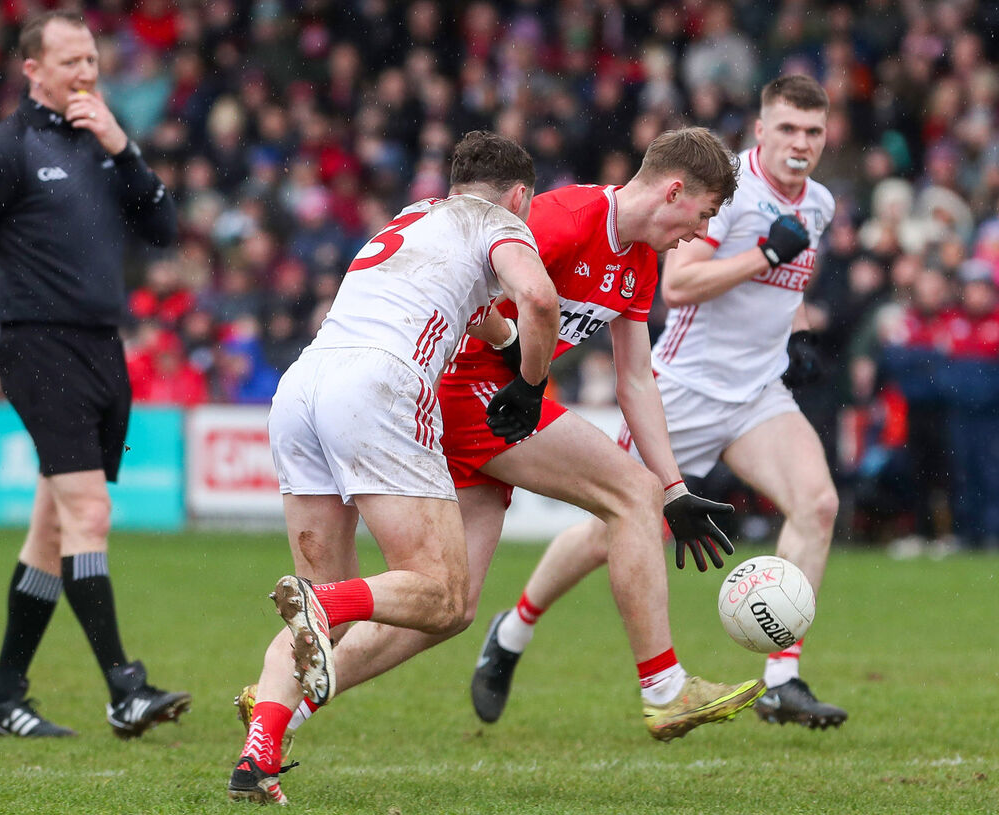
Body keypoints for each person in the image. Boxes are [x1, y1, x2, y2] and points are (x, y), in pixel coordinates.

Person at [234, 127, 764, 776]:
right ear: (675, 190)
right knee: (631, 492)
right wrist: (530, 379)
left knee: (445, 607)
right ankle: (665, 687)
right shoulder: (559, 215)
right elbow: (490, 286)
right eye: (704, 214)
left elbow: (634, 380)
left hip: (473, 401)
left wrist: (677, 486)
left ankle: (281, 705)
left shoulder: (641, 262)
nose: (699, 233)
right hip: (467, 390)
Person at [476, 75, 847, 730]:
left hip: (758, 391)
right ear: (761, 130)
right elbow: (681, 283)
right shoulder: (727, 190)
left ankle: (781, 679)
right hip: (685, 388)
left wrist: (801, 330)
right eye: (788, 128)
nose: (801, 143)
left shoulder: (818, 203)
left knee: (818, 503)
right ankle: (513, 628)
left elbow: (779, 293)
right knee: (608, 531)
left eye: (814, 131)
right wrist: (763, 254)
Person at [228, 130, 560, 805]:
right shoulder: (498, 221)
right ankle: (322, 603)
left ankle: (257, 755)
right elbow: (540, 298)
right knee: (443, 595)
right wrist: (530, 383)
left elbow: (490, 320)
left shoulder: (412, 218)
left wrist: (509, 346)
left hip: (303, 386)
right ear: (520, 196)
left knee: (330, 619)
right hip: (378, 386)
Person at [0, 11, 190, 739]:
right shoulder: (8, 147)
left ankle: (3, 698)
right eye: (70, 61)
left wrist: (124, 146)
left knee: (51, 531)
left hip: (103, 350)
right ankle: (125, 688)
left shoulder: (104, 141)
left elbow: (164, 231)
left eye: (93, 59)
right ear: (32, 69)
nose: (86, 73)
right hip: (40, 348)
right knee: (89, 514)